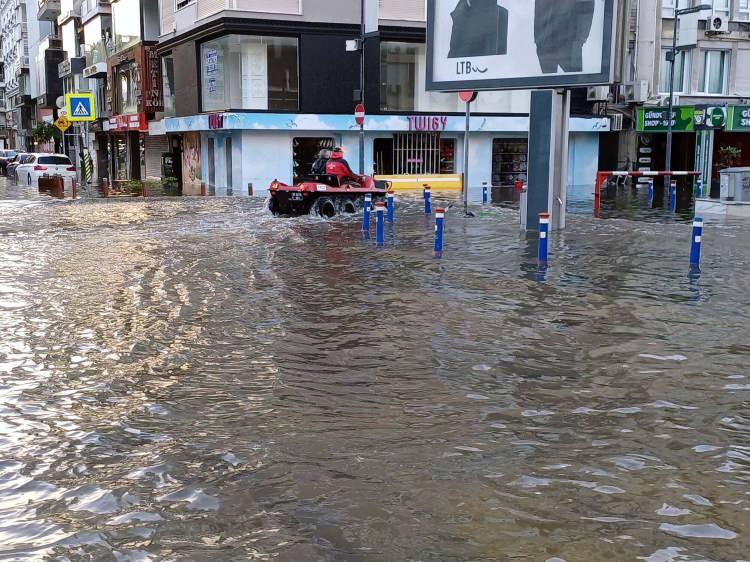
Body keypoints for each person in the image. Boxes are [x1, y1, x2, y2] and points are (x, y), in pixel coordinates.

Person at [534, 0, 595, 74]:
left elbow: (586, 7)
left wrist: (579, 40)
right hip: (545, 42)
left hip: (568, 43)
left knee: (575, 80)